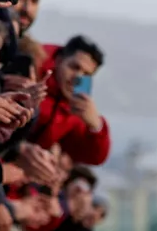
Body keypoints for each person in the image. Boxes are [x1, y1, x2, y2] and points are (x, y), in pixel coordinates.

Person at [27, 35, 110, 165]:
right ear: (59, 61)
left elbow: (93, 157)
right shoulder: (30, 74)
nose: (77, 78)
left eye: (86, 74)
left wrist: (95, 126)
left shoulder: (74, 109)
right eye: (74, 67)